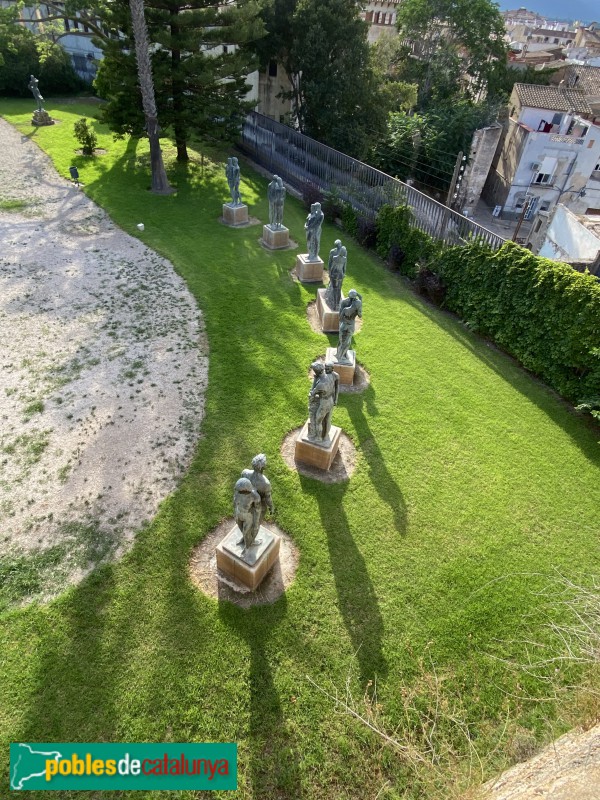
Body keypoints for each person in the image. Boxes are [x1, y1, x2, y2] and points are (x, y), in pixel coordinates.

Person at [307, 361, 338, 443]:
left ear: (316, 372)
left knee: (318, 421)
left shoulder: (320, 385)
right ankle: (326, 436)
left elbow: (311, 395)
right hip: (330, 400)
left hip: (324, 403)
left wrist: (315, 380)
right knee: (328, 419)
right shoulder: (331, 375)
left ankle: (318, 438)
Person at [241, 454, 274, 526]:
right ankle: (254, 529)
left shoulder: (245, 473)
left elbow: (241, 485)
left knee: (245, 521)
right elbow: (268, 499)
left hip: (245, 502)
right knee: (256, 524)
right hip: (257, 506)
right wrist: (271, 507)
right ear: (263, 467)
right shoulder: (266, 484)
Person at [233, 477, 262, 552]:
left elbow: (258, 510)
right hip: (238, 515)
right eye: (240, 491)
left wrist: (256, 522)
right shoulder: (237, 492)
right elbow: (235, 504)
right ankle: (245, 539)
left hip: (248, 517)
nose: (240, 492)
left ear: (247, 489)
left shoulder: (255, 496)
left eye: (243, 491)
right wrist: (235, 514)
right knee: (242, 530)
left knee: (246, 532)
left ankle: (247, 547)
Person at [336, 289, 362, 363]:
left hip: (344, 324)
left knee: (342, 341)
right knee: (347, 342)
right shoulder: (357, 304)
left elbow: (340, 317)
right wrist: (360, 301)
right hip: (350, 325)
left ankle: (340, 355)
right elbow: (360, 315)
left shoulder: (344, 303)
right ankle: (341, 356)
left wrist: (344, 321)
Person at [325, 239, 347, 310]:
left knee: (334, 288)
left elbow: (330, 263)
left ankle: (335, 304)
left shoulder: (333, 254)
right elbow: (344, 266)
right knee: (338, 289)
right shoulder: (344, 256)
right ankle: (337, 303)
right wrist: (344, 273)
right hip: (340, 274)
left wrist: (329, 272)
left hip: (334, 273)